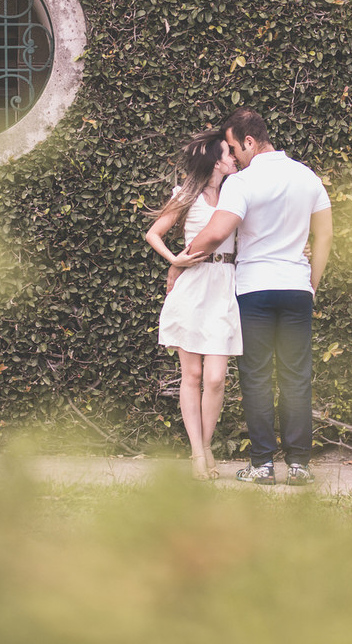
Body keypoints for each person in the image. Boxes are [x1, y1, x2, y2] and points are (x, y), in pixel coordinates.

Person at [187, 109, 332, 486]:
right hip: (297, 288)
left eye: (234, 147)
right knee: (296, 375)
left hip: (254, 289)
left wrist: (179, 261)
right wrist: (311, 282)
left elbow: (217, 233)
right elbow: (325, 237)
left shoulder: (242, 182)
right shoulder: (308, 177)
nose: (232, 156)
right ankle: (299, 465)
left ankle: (262, 464)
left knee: (256, 377)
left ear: (250, 142)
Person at [145, 129, 242, 480]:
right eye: (229, 152)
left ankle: (205, 446)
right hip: (193, 285)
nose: (234, 156)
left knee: (216, 378)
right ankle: (199, 454)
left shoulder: (236, 193)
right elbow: (153, 233)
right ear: (216, 161)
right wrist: (176, 259)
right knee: (193, 374)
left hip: (224, 285)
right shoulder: (186, 194)